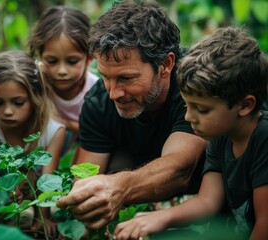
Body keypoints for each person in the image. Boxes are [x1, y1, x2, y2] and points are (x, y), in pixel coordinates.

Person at [56, 0, 207, 230]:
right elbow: (86, 180)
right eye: (106, 77)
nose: (114, 93)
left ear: (166, 65)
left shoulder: (197, 87)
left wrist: (121, 187)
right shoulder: (98, 103)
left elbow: (180, 168)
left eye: (126, 78)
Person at [113, 27, 268, 240]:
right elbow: (207, 202)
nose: (188, 117)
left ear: (245, 105)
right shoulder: (220, 135)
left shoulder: (263, 139)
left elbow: (264, 225)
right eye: (187, 105)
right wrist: (160, 218)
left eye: (202, 109)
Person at [0, 50, 65, 237]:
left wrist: (43, 217)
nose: (7, 111)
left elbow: (47, 181)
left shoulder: (54, 131)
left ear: (35, 97)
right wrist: (4, 192)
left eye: (18, 102)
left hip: (36, 201)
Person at [28, 6, 99, 158]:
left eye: (72, 61)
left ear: (90, 58)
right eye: (52, 61)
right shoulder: (36, 80)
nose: (61, 71)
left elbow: (98, 134)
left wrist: (64, 123)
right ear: (40, 55)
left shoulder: (96, 90)